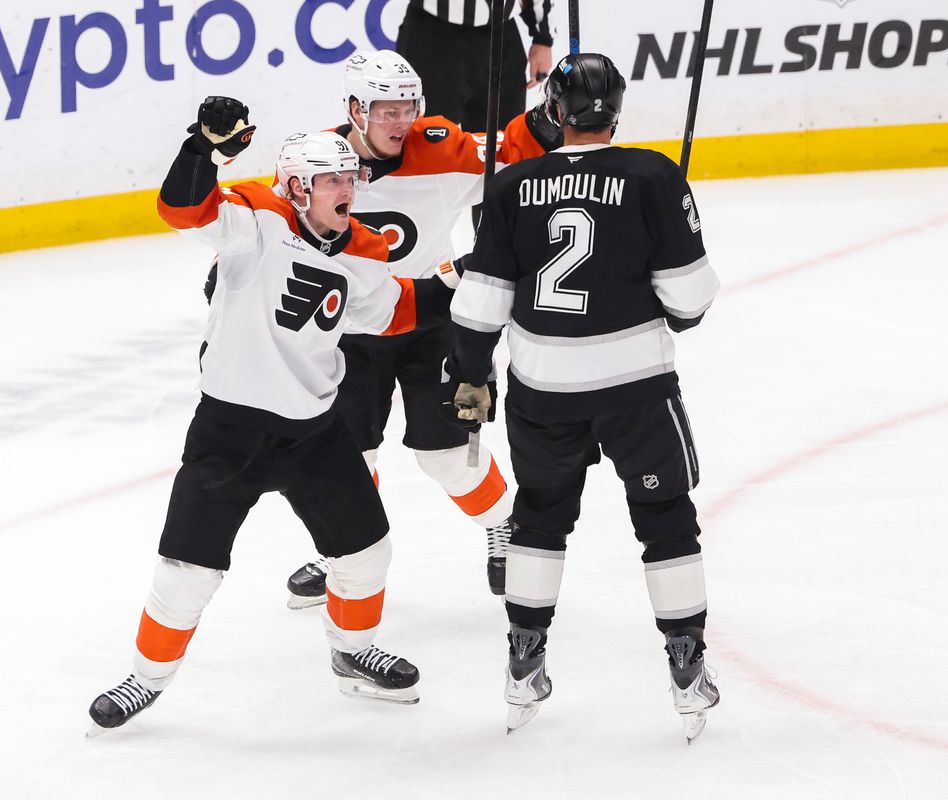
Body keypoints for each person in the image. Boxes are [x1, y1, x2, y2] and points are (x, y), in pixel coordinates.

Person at [87, 97, 462, 733]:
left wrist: (462, 282)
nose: (348, 189)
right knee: (187, 572)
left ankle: (350, 653)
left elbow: (393, 312)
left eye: (351, 178)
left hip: (315, 432)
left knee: (368, 553)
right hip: (230, 432)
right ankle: (145, 678)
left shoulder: (365, 248)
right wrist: (201, 149)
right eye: (332, 181)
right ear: (295, 187)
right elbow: (181, 208)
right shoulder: (254, 219)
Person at [442, 53, 724, 741]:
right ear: (616, 108)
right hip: (635, 388)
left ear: (555, 111)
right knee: (664, 513)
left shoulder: (511, 185)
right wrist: (675, 311)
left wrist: (471, 373)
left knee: (539, 518)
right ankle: (686, 663)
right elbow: (691, 298)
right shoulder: (654, 175)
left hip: (544, 392)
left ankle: (523, 658)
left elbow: (480, 301)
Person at [278, 49, 564, 608]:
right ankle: (343, 547)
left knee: (446, 457)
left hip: (430, 319)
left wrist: (548, 115)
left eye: (408, 107)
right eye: (387, 110)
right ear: (356, 108)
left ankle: (504, 525)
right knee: (346, 459)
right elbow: (281, 233)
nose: (401, 121)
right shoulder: (316, 162)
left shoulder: (442, 147)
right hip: (347, 331)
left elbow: (511, 149)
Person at [395, 0, 554, 130]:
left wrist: (543, 37)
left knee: (502, 143)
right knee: (424, 139)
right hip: (432, 33)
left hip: (501, 32)